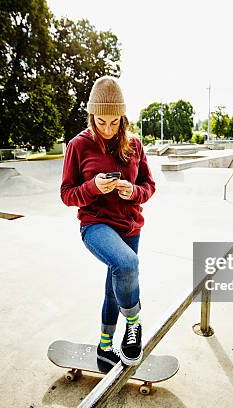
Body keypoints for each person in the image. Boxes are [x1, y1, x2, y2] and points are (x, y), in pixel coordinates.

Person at [60, 76, 156, 367]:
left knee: (115, 285)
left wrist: (133, 191)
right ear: (91, 116)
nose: (108, 129)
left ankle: (104, 346)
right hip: (96, 224)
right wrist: (92, 188)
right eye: (101, 121)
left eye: (115, 122)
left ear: (123, 118)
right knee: (126, 264)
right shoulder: (78, 146)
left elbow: (148, 186)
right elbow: (67, 194)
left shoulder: (134, 144)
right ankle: (134, 323)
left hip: (129, 225)